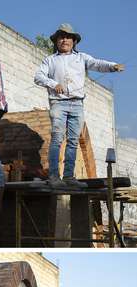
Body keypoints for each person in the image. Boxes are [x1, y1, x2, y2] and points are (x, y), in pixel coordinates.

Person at [34, 23, 124, 189]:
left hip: (77, 104)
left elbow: (97, 64)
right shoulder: (50, 60)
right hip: (58, 103)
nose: (65, 40)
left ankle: (68, 176)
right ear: (57, 41)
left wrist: (112, 66)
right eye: (61, 37)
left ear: (74, 41)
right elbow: (38, 77)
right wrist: (54, 84)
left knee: (74, 141)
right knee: (57, 138)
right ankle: (54, 176)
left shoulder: (81, 57)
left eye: (68, 37)